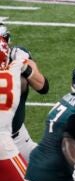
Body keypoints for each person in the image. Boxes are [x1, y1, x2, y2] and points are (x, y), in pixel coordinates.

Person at [0, 23, 49, 162]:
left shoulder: (17, 55)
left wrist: (24, 68)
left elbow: (43, 87)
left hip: (18, 137)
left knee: (54, 170)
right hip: (2, 142)